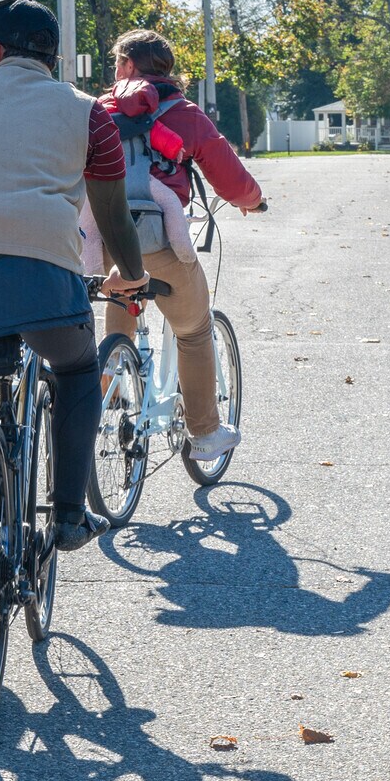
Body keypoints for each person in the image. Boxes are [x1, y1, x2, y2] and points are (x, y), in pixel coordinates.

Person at [0, 0, 150, 615]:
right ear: (52, 58)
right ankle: (69, 514)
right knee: (74, 369)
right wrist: (133, 276)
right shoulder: (89, 114)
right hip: (43, 268)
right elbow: (112, 213)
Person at [99, 29, 267, 463]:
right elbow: (230, 179)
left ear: (130, 67)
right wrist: (253, 201)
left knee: (117, 301)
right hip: (160, 243)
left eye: (118, 62)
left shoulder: (98, 111)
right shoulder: (186, 115)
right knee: (194, 331)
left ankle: (106, 398)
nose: (115, 71)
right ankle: (206, 433)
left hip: (103, 242)